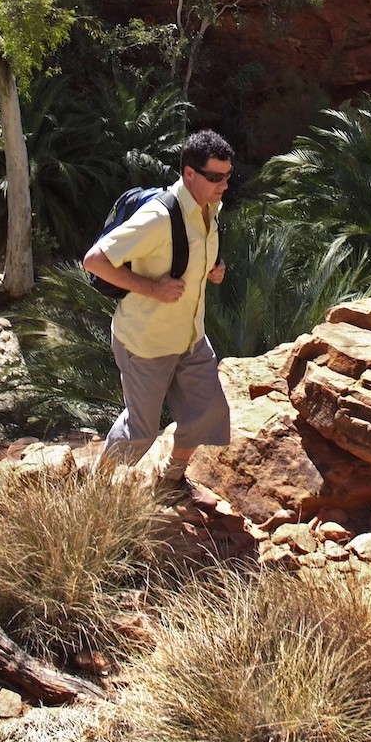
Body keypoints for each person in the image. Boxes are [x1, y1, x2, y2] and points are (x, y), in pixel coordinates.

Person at [82, 129, 232, 498]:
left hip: (190, 337)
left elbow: (196, 252)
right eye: (215, 177)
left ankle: (171, 478)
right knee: (141, 431)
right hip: (146, 342)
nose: (224, 185)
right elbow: (95, 260)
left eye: (228, 177)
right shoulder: (157, 218)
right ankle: (92, 493)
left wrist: (214, 267)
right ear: (189, 174)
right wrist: (153, 289)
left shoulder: (211, 207)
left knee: (208, 412)